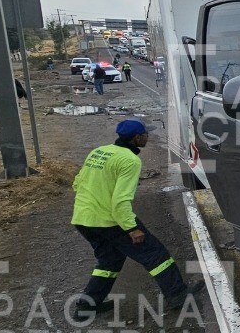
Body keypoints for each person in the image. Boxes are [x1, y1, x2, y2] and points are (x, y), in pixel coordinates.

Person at [70, 120, 202, 317]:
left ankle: (87, 305)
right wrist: (131, 228)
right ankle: (178, 296)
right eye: (145, 134)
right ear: (136, 138)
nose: (147, 136)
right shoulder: (130, 161)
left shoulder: (99, 151)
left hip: (83, 218)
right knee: (156, 255)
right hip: (111, 221)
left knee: (109, 261)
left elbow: (77, 183)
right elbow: (120, 201)